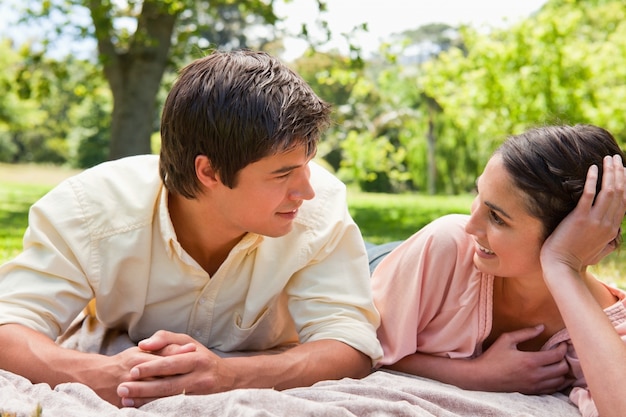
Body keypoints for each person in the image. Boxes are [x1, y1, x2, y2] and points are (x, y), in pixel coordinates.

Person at [0, 49, 383, 408]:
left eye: (307, 164)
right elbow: (9, 325)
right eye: (283, 173)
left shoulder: (320, 208)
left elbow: (350, 345)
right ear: (209, 172)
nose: (306, 189)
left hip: (376, 265)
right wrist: (107, 374)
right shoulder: (90, 210)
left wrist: (227, 376)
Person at [371, 124, 626, 417]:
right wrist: (475, 375)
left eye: (497, 218)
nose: (471, 225)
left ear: (572, 235)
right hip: (387, 267)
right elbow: (361, 349)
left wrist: (562, 265)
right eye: (479, 195)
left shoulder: (612, 330)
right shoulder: (448, 242)